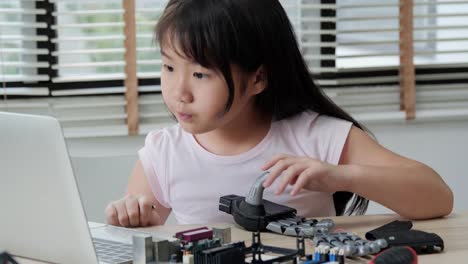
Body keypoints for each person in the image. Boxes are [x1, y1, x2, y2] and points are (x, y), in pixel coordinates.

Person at [105, 0, 453, 227]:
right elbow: (141, 229)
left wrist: (339, 176)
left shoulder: (316, 136)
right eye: (168, 67)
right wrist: (129, 216)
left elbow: (437, 197)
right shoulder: (165, 151)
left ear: (258, 77)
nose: (179, 92)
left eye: (200, 74)